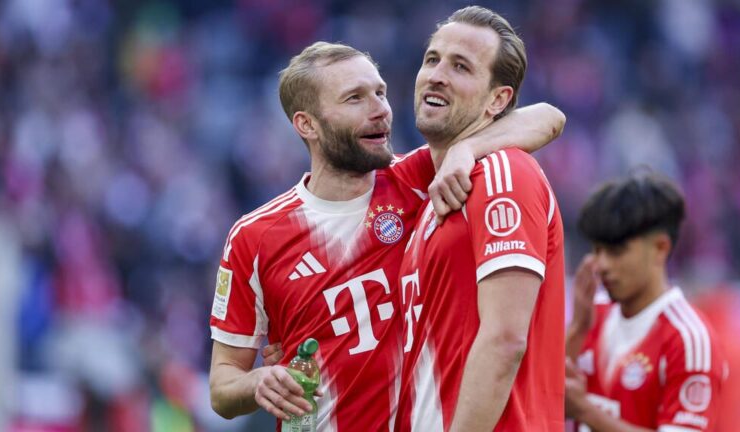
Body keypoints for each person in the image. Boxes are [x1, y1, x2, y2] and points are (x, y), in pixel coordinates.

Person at [207, 40, 565, 431]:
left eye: (380, 92)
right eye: (355, 99)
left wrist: (467, 149)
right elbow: (222, 387)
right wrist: (258, 382)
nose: (380, 110)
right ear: (306, 124)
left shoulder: (417, 180)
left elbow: (547, 117)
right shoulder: (254, 236)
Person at [395, 6, 566, 431]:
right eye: (432, 59)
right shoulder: (427, 191)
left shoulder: (502, 175)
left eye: (460, 67)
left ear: (498, 99)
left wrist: (468, 149)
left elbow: (505, 341)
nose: (436, 75)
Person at [565, 172, 726, 432]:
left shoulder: (688, 339)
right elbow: (545, 394)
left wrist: (584, 411)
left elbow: (575, 405)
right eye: (597, 250)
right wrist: (577, 329)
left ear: (660, 248)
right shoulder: (593, 315)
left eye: (616, 252)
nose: (602, 265)